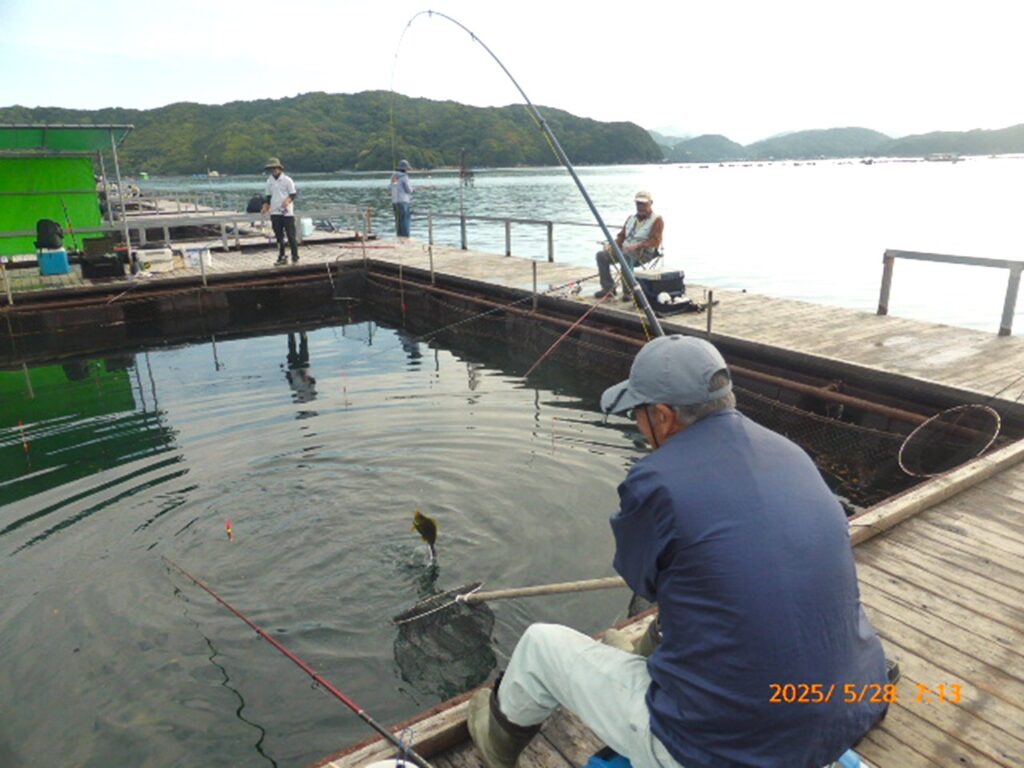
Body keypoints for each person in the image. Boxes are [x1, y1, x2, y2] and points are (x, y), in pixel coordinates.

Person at [467, 334, 890, 768]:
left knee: (541, 645)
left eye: (637, 412)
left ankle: (495, 743)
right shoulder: (792, 454)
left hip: (721, 750)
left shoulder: (657, 480)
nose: (637, 424)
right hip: (851, 706)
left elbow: (644, 580)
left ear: (663, 416)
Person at [594, 191, 664, 301]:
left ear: (650, 203)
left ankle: (628, 292)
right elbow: (621, 236)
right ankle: (608, 288)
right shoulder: (631, 218)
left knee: (626, 257)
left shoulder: (657, 220)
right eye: (638, 203)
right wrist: (612, 245)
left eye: (643, 204)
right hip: (625, 250)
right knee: (601, 255)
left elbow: (655, 241)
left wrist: (637, 246)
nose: (640, 207)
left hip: (643, 253)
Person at [261, 157, 299, 265]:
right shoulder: (269, 181)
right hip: (275, 212)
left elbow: (293, 194)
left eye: (275, 168)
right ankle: (282, 256)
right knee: (279, 236)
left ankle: (295, 256)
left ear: (279, 168)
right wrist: (266, 206)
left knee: (291, 235)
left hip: (287, 212)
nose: (273, 170)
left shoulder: (287, 180)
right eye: (271, 169)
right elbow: (268, 196)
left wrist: (288, 201)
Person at [389, 159, 414, 238]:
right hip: (403, 201)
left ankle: (399, 236)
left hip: (395, 202)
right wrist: (413, 189)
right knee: (405, 220)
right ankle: (405, 237)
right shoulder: (404, 177)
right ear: (405, 169)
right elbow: (408, 190)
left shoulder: (393, 176)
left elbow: (389, 188)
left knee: (398, 220)